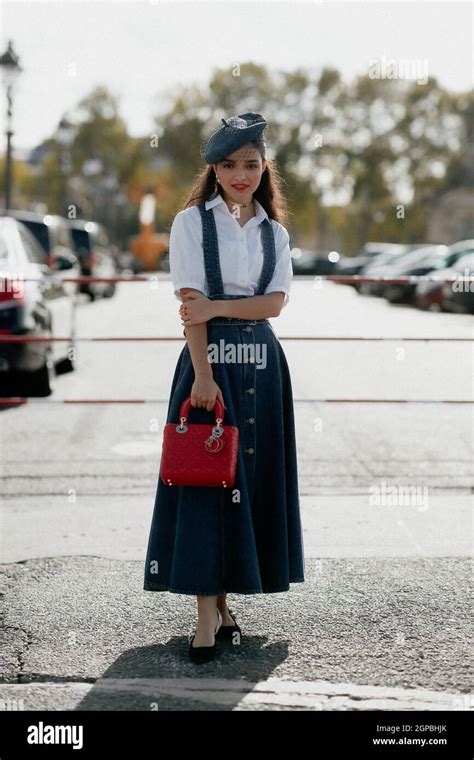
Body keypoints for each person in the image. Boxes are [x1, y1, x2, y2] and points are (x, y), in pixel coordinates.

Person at [143, 112, 305, 663]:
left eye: (252, 164)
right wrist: (205, 374)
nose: (242, 174)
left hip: (262, 363)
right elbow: (190, 305)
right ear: (214, 168)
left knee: (249, 483)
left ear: (265, 168)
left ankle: (225, 602)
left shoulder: (274, 232)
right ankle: (205, 615)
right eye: (231, 164)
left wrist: (217, 306)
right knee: (207, 482)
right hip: (207, 362)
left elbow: (275, 305)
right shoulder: (191, 223)